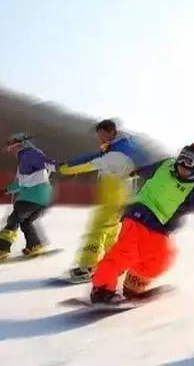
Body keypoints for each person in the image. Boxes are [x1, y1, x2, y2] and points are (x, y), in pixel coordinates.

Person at [89, 142, 194, 304]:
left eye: (189, 164)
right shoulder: (165, 166)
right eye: (181, 161)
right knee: (126, 252)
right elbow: (146, 170)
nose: (183, 167)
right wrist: (132, 173)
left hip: (159, 228)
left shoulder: (193, 190)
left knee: (162, 258)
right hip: (139, 213)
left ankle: (133, 285)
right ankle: (102, 289)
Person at [57, 119, 147, 282]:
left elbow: (90, 164)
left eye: (102, 134)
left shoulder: (116, 154)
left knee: (97, 229)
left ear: (111, 132)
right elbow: (94, 156)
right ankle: (115, 264)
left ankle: (88, 267)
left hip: (114, 196)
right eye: (98, 135)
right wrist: (69, 163)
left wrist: (66, 168)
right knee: (110, 232)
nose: (100, 138)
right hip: (120, 197)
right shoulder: (120, 148)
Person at [0, 133, 57, 261]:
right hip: (42, 198)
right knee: (26, 222)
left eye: (12, 146)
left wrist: (55, 165)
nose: (11, 150)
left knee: (13, 220)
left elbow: (43, 161)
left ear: (20, 144)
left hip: (32, 197)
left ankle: (1, 249)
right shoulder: (24, 158)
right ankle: (35, 245)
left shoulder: (28, 154)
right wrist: (8, 190)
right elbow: (22, 182)